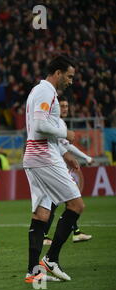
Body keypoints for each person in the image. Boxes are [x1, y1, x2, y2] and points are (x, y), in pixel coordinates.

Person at [23, 55, 85, 283]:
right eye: (69, 76)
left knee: (42, 214)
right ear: (57, 73)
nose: (70, 81)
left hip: (35, 156)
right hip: (43, 157)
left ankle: (32, 272)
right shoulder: (45, 91)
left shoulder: (39, 91)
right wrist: (65, 133)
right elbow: (40, 125)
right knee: (76, 205)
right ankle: (51, 259)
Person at [43, 97, 93, 245]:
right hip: (53, 167)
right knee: (60, 200)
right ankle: (46, 236)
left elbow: (65, 147)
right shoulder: (54, 123)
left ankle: (75, 231)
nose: (65, 108)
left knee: (66, 200)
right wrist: (86, 157)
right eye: (62, 105)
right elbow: (67, 147)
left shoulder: (60, 123)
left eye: (66, 106)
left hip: (59, 166)